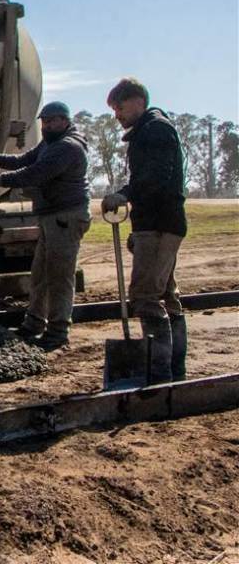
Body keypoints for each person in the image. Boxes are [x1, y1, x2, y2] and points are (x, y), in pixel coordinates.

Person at [0, 102, 90, 351]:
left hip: (66, 217)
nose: (46, 126)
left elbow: (34, 173)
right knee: (40, 274)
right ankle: (34, 323)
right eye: (44, 122)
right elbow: (25, 159)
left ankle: (58, 330)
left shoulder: (66, 147)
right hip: (51, 217)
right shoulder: (50, 142)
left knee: (60, 276)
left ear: (64, 121)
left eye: (51, 122)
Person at [101, 77, 187, 383]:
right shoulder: (151, 130)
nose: (117, 115)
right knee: (166, 294)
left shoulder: (155, 131)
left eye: (119, 107)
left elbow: (155, 178)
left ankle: (158, 372)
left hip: (159, 224)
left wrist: (125, 194)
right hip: (159, 224)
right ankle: (174, 369)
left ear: (138, 100)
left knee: (146, 296)